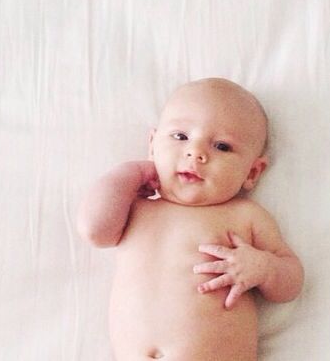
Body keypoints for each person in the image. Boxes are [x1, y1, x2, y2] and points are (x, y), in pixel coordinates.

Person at [77, 77, 304, 360]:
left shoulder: (244, 216)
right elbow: (94, 231)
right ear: (152, 144)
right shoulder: (137, 208)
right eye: (180, 136)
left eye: (221, 146)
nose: (195, 152)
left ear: (252, 173)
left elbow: (291, 282)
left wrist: (264, 268)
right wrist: (130, 173)